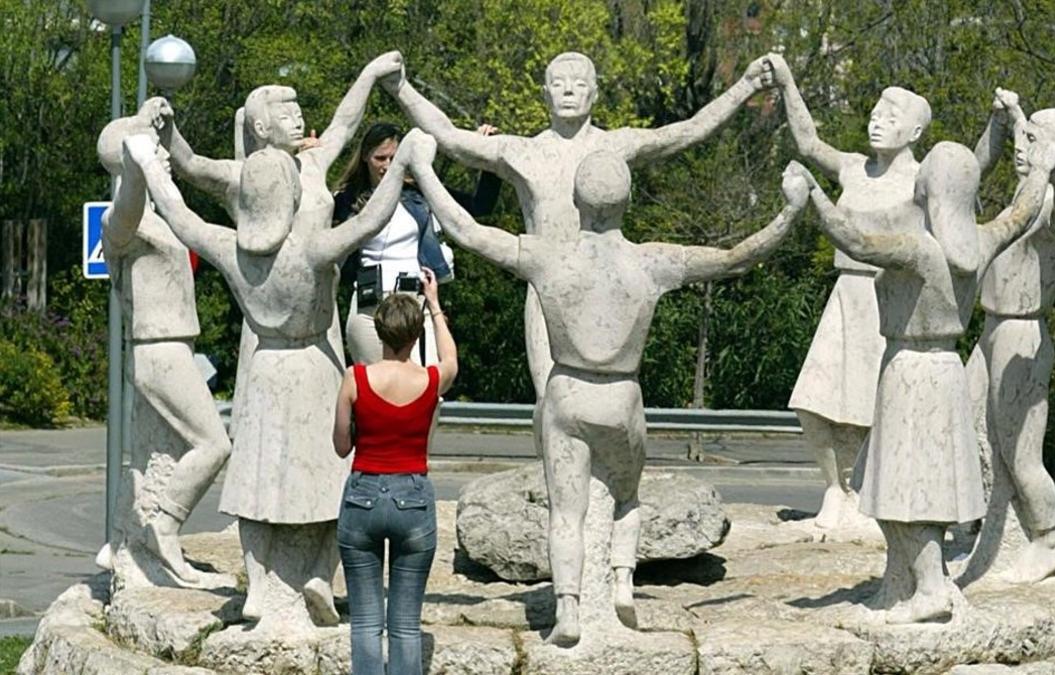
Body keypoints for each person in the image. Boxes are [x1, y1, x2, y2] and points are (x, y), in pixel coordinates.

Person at [405, 128, 808, 645]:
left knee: (566, 513)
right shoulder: (652, 260)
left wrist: (424, 167)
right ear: (628, 200)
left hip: (567, 393)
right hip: (621, 396)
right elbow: (736, 257)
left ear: (574, 200)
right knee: (627, 497)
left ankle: (568, 606)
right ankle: (622, 578)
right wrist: (791, 210)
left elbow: (467, 230)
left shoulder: (547, 255)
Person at [124, 59, 411, 628]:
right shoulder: (253, 184)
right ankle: (283, 581)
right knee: (305, 472)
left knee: (275, 473)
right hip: (297, 342)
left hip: (295, 339)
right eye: (285, 109)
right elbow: (192, 168)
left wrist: (370, 77)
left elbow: (181, 212)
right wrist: (406, 163)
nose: (298, 115)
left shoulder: (295, 178)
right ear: (259, 126)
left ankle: (300, 580)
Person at [387, 50, 781, 400]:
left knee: (609, 396)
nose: (569, 91)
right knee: (552, 398)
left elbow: (687, 132)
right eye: (558, 84)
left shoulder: (616, 146)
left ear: (594, 93)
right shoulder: (524, 151)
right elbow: (449, 138)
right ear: (545, 94)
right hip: (547, 285)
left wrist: (745, 86)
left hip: (608, 286)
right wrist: (401, 87)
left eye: (579, 84)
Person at [796, 137, 1055, 623]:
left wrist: (811, 194)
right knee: (902, 487)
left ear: (929, 191)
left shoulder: (918, 249)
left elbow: (855, 242)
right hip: (943, 373)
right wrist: (1041, 170)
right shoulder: (981, 240)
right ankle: (899, 583)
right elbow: (1021, 213)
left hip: (910, 372)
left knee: (908, 488)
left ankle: (931, 590)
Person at [768, 54, 927, 536]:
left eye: (891, 117)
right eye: (875, 115)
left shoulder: (922, 181)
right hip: (845, 295)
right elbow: (808, 142)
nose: (877, 123)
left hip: (888, 299)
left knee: (872, 407)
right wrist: (788, 82)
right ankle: (835, 489)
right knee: (813, 400)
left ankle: (868, 497)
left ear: (915, 131)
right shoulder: (855, 170)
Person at [94, 97, 231, 585]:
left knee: (151, 457)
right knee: (214, 444)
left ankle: (119, 542)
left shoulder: (164, 220)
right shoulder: (121, 222)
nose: (162, 157)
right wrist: (138, 162)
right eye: (153, 152)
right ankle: (164, 531)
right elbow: (130, 200)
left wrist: (161, 126)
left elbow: (181, 171)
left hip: (176, 346)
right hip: (159, 349)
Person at [966, 88, 1055, 584]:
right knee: (967, 429)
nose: (1023, 145)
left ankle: (1047, 539)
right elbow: (967, 180)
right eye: (1023, 135)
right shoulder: (1020, 194)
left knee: (1020, 451)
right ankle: (985, 526)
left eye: (1033, 140)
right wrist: (1001, 123)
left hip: (1022, 336)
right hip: (991, 329)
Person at [332, 268, 458, 675]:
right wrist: (434, 305)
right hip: (413, 500)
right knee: (405, 625)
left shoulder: (356, 379)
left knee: (366, 622)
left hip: (363, 496)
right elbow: (452, 358)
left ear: (379, 333)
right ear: (415, 337)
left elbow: (341, 446)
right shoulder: (431, 380)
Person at [333, 121, 500, 365]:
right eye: (380, 158)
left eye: (395, 158)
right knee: (374, 389)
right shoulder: (346, 199)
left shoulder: (419, 191)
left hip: (415, 301)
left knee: (427, 384)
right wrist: (306, 157)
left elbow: (479, 205)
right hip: (370, 305)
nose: (388, 166)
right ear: (365, 157)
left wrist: (485, 153)